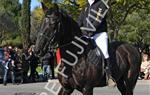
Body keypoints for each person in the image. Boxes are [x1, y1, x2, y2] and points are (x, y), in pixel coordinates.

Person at [77, 0, 115, 86]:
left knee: (104, 52)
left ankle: (109, 76)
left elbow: (98, 20)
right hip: (86, 34)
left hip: (99, 34)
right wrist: (76, 30)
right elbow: (79, 21)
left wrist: (87, 30)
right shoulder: (86, 6)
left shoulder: (102, 4)